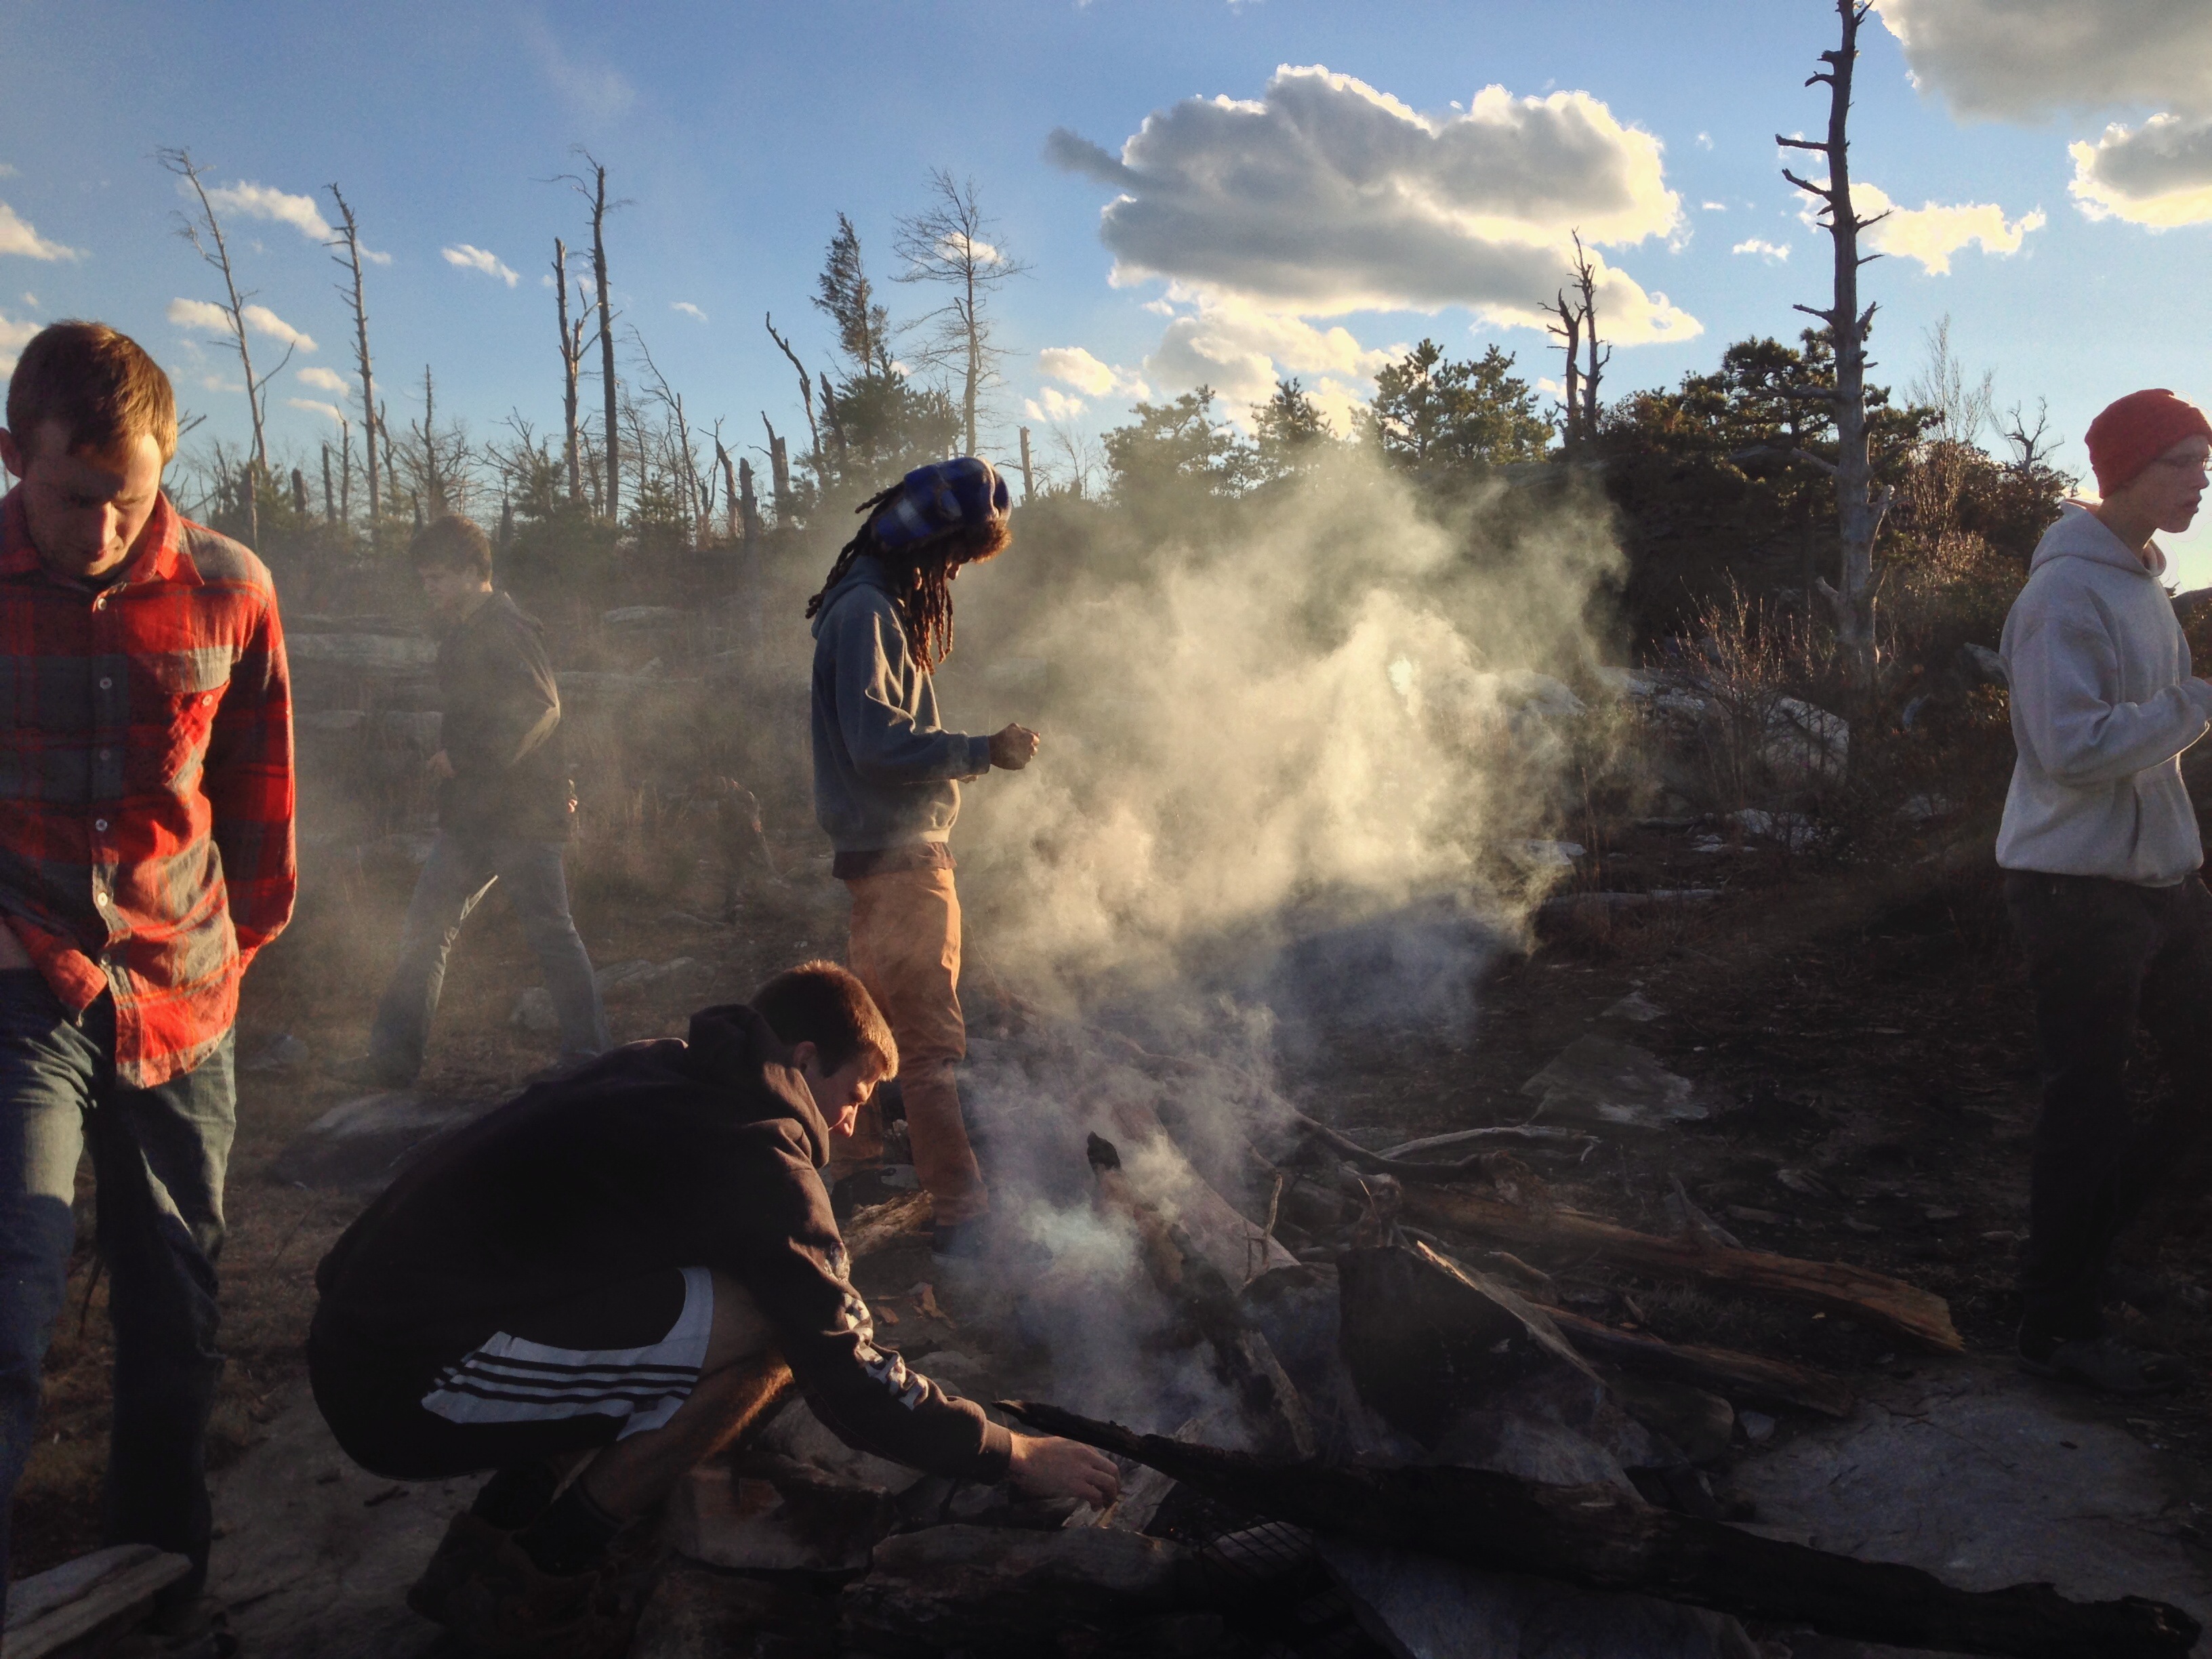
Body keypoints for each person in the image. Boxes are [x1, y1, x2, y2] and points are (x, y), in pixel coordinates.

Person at [308, 960, 1117, 1656]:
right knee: (771, 1332)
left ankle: (484, 1549)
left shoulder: (664, 1068)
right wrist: (1011, 1451)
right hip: (407, 1385)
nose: (850, 1122)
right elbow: (846, 1371)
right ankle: (542, 1577)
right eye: (854, 1093)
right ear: (804, 1057)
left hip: (363, 1337)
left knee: (701, 1304)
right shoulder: (761, 1150)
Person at [0, 322, 295, 1643]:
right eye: (77, 497)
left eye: (135, 495)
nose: (109, 527)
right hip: (22, 979)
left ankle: (162, 1591)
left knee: (177, 1314)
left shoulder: (231, 586)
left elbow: (259, 799)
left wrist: (231, 956)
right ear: (14, 457)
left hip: (183, 994)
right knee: (11, 1296)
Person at [1997, 386, 2212, 1395]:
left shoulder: (2143, 584)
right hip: (2075, 891)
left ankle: (2089, 1257)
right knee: (2087, 1103)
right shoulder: (2062, 596)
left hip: (2161, 881)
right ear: (2124, 472)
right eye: (2181, 463)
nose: (2201, 483)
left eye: (2206, 465)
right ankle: (2055, 1322)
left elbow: (2147, 741)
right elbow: (2069, 749)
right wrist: (2199, 701)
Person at [806, 458, 1038, 1254]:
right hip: (905, 861)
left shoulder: (860, 603)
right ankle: (962, 1216)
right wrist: (982, 751)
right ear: (925, 544)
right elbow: (876, 745)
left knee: (871, 1030)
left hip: (877, 858)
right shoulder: (868, 610)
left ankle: (856, 1173)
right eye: (955, 557)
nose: (954, 574)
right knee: (929, 1050)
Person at [342, 515, 606, 1087]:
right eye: (424, 579)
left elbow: (541, 708)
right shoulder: (465, 630)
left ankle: (590, 1059)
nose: (429, 588)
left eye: (437, 577)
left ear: (470, 572)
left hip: (522, 817)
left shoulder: (506, 626)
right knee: (425, 929)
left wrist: (464, 758)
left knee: (551, 934)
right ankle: (393, 1063)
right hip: (473, 816)